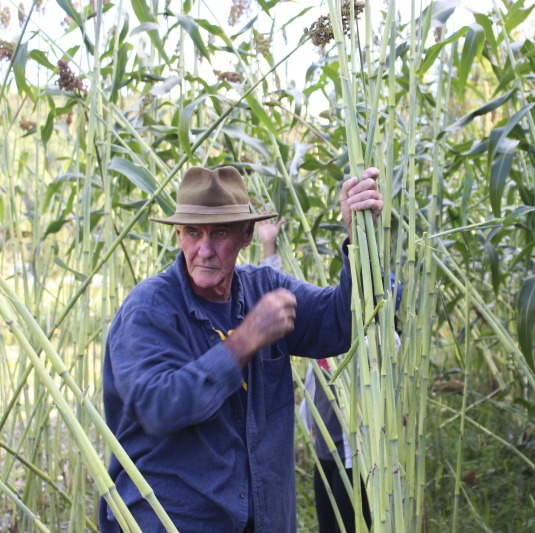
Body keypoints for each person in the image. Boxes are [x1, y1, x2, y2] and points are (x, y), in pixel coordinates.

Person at [99, 165, 383, 533]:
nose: (204, 249)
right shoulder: (148, 310)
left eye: (219, 232)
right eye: (192, 232)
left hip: (263, 519)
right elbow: (158, 405)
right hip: (172, 521)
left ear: (247, 234)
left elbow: (339, 322)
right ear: (177, 235)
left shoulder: (265, 289)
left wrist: (360, 236)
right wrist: (244, 341)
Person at [258, 218, 370, 533]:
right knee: (328, 522)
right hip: (325, 447)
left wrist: (359, 235)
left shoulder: (369, 339)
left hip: (355, 453)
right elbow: (274, 299)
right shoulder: (319, 336)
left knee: (352, 521)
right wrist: (268, 245)